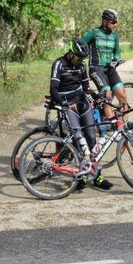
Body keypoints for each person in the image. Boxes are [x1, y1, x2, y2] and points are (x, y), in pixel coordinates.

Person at [49, 38, 112, 190]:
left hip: (81, 101)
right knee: (78, 137)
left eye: (82, 58)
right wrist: (64, 104)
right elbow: (53, 89)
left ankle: (96, 175)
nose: (80, 61)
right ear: (70, 53)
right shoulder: (59, 64)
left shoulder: (81, 65)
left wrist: (97, 97)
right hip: (66, 102)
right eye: (78, 57)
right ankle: (80, 174)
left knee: (91, 136)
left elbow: (86, 87)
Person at [81, 9, 128, 120]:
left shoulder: (115, 36)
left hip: (110, 69)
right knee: (107, 95)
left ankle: (124, 129)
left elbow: (117, 53)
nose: (115, 25)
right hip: (96, 68)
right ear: (105, 21)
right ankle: (111, 124)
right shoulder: (94, 33)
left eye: (116, 22)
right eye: (113, 22)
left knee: (122, 95)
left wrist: (116, 59)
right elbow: (80, 44)